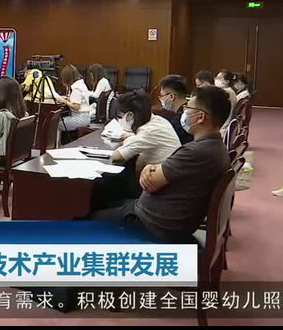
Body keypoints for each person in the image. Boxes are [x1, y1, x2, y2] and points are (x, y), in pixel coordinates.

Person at [92, 86, 232, 243]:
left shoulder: (196, 152)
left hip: (153, 225)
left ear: (200, 117)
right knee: (109, 199)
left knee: (88, 216)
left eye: (188, 108)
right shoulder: (214, 147)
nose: (184, 112)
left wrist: (148, 168)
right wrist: (151, 168)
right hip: (164, 217)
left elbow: (151, 182)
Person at [111, 90, 181, 174]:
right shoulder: (157, 120)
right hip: (168, 172)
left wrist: (129, 140)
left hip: (164, 177)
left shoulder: (149, 131)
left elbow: (117, 156)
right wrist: (132, 137)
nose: (119, 120)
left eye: (120, 116)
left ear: (130, 115)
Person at [158, 75, 194, 145]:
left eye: (162, 96)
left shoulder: (177, 122)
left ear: (171, 96)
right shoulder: (193, 112)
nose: (161, 99)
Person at [57, 65, 92, 132]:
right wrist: (68, 98)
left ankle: (59, 139)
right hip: (84, 117)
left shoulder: (76, 88)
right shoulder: (80, 84)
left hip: (80, 118)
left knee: (56, 124)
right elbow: (78, 100)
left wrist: (64, 101)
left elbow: (76, 107)